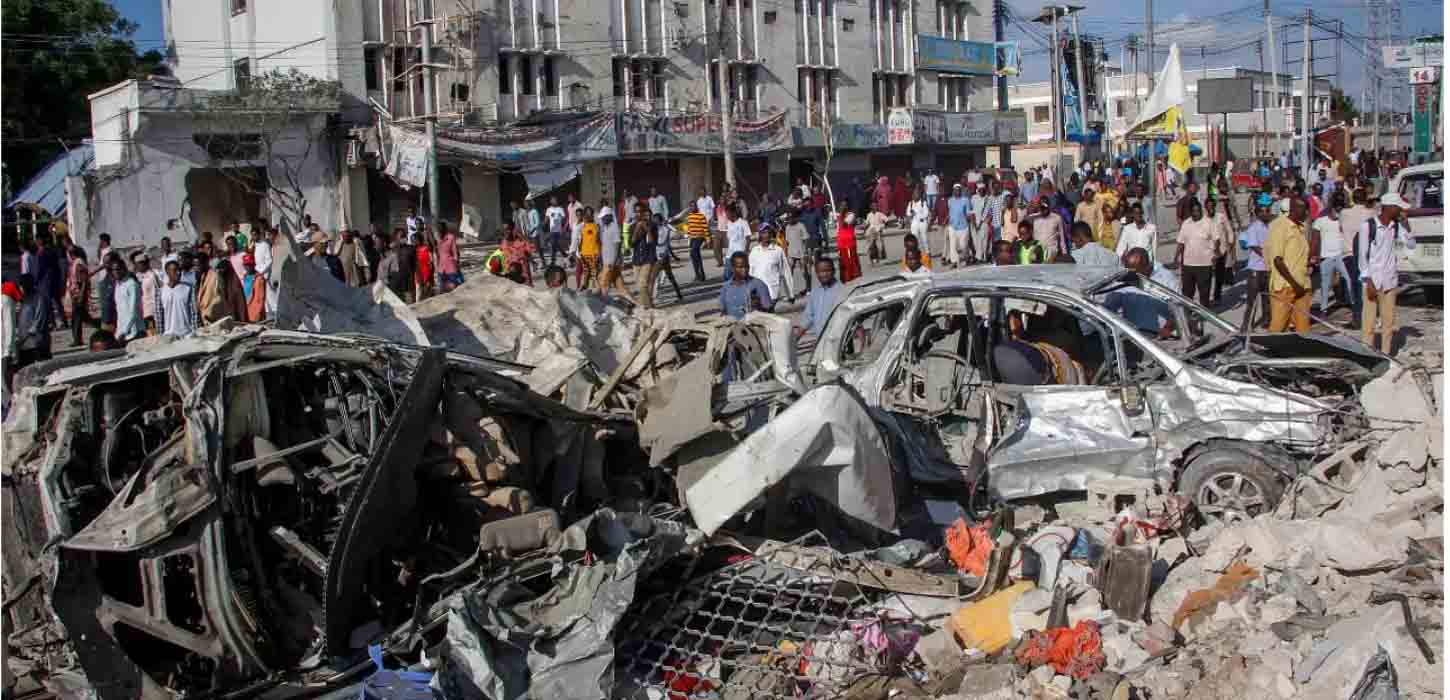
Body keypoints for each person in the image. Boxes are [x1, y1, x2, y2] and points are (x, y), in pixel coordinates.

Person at [1358, 192, 1417, 354]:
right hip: (1371, 280)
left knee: (1388, 322)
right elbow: (1362, 255)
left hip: (1390, 280)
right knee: (1368, 323)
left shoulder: (1396, 226)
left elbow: (1411, 245)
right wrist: (1368, 280)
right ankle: (1367, 352)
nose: (1401, 211)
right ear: (1390, 208)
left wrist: (1407, 226)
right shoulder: (1368, 226)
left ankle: (1386, 354)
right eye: (1399, 208)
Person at [1265, 197, 1313, 333]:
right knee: (1278, 328)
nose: (1307, 214)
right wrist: (1295, 284)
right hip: (1286, 287)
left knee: (1303, 329)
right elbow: (1277, 260)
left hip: (1303, 286)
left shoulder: (1300, 228)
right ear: (1295, 209)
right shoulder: (1280, 226)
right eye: (1305, 210)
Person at [1310, 192, 1349, 313]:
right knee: (1325, 285)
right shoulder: (1320, 220)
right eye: (1337, 205)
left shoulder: (1346, 219)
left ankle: (1353, 306)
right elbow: (1315, 240)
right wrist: (1313, 256)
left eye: (1341, 205)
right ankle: (1324, 309)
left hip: (1342, 255)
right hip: (1326, 257)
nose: (1339, 208)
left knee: (1349, 280)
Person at [1175, 199, 1217, 307]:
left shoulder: (1208, 222)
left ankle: (1204, 312)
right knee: (1187, 292)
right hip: (1188, 264)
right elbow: (1181, 242)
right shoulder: (1186, 223)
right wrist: (1176, 257)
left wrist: (1215, 255)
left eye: (1198, 211)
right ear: (1190, 212)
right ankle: (1188, 312)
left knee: (1204, 292)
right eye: (1194, 211)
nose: (1196, 213)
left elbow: (1216, 239)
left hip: (1205, 264)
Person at [797, 257, 843, 341]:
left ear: (834, 271)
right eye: (820, 272)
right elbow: (808, 317)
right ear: (816, 273)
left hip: (839, 341)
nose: (824, 274)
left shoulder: (842, 291)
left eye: (827, 271)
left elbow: (851, 315)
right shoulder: (815, 293)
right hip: (821, 340)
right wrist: (796, 338)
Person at [749, 224, 794, 303]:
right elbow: (750, 271)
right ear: (760, 234)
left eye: (768, 232)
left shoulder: (778, 251)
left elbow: (786, 272)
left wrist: (790, 294)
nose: (766, 235)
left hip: (772, 292)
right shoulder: (754, 251)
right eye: (764, 232)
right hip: (757, 292)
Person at [719, 252, 773, 318]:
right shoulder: (726, 287)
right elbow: (723, 311)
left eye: (746, 266)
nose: (744, 270)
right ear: (733, 268)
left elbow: (769, 311)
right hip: (733, 325)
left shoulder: (758, 285)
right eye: (740, 267)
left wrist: (759, 307)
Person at [160, 260, 197, 338]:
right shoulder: (161, 291)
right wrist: (161, 335)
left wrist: (194, 332)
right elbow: (159, 316)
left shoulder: (189, 288)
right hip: (168, 335)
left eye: (179, 270)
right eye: (175, 270)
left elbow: (194, 312)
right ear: (167, 272)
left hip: (187, 334)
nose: (178, 273)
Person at [111, 256, 143, 343]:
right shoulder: (118, 285)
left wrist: (125, 331)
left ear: (124, 269)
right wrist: (119, 331)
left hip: (133, 331)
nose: (115, 272)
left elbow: (133, 312)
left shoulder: (131, 285)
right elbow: (120, 310)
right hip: (121, 332)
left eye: (118, 269)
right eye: (113, 270)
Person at [64, 247, 90, 347]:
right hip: (75, 293)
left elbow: (83, 280)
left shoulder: (78, 263)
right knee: (79, 317)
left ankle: (77, 339)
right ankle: (77, 339)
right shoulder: (75, 263)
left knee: (77, 318)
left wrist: (81, 295)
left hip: (78, 293)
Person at [1029, 196, 1066, 261]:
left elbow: (1062, 237)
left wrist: (1064, 252)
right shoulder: (1034, 217)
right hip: (1038, 250)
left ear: (1049, 205)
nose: (1044, 208)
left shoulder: (1057, 217)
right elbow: (1025, 220)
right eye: (1042, 205)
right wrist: (1039, 214)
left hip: (1052, 250)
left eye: (1045, 205)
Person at [683, 201, 710, 282]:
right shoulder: (689, 216)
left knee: (694, 252)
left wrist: (708, 238)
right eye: (691, 206)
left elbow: (705, 227)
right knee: (694, 256)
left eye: (694, 206)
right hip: (692, 238)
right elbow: (686, 226)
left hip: (700, 237)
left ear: (696, 207)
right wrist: (686, 232)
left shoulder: (701, 216)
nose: (692, 208)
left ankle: (700, 275)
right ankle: (699, 275)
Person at [946, 184, 972, 267]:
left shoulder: (966, 200)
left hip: (963, 226)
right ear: (953, 191)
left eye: (958, 190)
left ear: (961, 191)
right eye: (955, 190)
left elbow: (968, 213)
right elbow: (950, 212)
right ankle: (954, 261)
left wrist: (970, 221)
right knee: (952, 245)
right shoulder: (950, 200)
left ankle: (965, 258)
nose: (957, 191)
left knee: (963, 245)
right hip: (952, 226)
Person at [577, 208, 602, 291]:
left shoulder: (596, 226)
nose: (588, 216)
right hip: (584, 254)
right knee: (586, 274)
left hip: (594, 254)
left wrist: (599, 254)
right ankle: (584, 290)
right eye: (587, 214)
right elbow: (580, 241)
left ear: (592, 215)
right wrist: (580, 253)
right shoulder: (582, 226)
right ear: (584, 215)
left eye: (590, 214)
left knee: (595, 275)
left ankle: (598, 292)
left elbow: (599, 241)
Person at [724, 204, 751, 280]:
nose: (727, 216)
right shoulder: (728, 224)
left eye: (728, 214)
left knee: (740, 276)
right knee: (727, 275)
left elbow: (748, 237)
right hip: (729, 255)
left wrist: (745, 251)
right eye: (726, 214)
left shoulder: (743, 223)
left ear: (733, 212)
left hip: (739, 254)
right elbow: (728, 238)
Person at [836, 206, 862, 283]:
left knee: (852, 259)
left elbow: (845, 224)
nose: (842, 208)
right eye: (841, 206)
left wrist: (840, 216)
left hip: (850, 241)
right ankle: (846, 277)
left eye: (844, 206)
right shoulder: (839, 216)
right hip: (841, 242)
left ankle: (854, 275)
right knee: (844, 260)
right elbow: (839, 230)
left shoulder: (851, 215)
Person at [545, 196, 568, 266]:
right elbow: (546, 219)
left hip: (559, 230)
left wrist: (564, 228)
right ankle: (556, 258)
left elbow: (564, 219)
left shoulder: (560, 209)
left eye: (555, 200)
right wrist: (544, 226)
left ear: (557, 201)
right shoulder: (548, 209)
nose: (554, 201)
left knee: (557, 245)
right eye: (552, 200)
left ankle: (561, 256)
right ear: (550, 201)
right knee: (554, 245)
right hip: (552, 230)